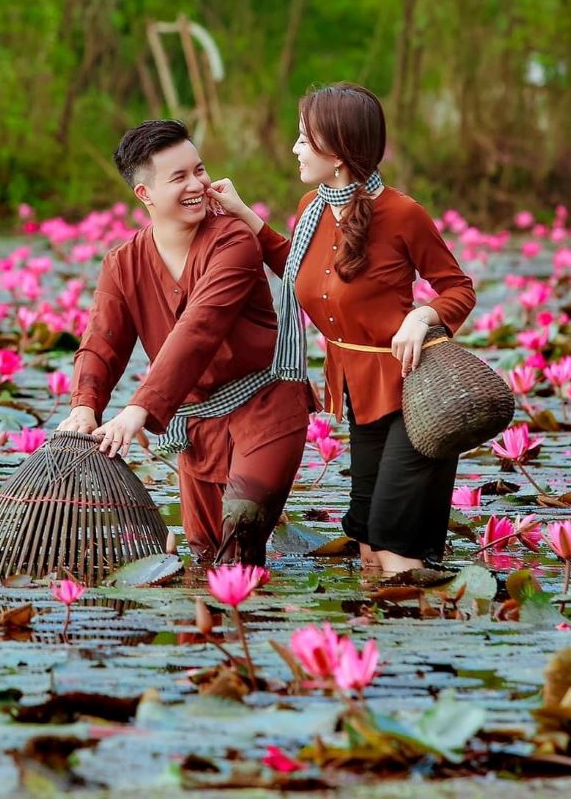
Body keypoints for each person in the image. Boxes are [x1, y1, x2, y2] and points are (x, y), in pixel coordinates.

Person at [210, 83, 476, 575]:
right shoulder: (313, 207)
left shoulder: (403, 214)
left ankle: (425, 641)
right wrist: (244, 215)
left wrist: (422, 315)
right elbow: (302, 269)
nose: (293, 148)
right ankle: (380, 639)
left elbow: (458, 288)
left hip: (415, 395)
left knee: (396, 546)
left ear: (337, 152)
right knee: (369, 544)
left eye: (303, 139)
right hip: (359, 393)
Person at [57, 119, 315, 566]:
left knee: (242, 530)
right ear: (145, 195)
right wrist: (85, 406)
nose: (197, 184)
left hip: (265, 407)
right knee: (204, 558)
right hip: (197, 427)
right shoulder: (122, 264)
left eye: (199, 170)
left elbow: (200, 328)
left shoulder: (234, 239)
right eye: (179, 177)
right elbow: (101, 342)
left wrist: (138, 409)